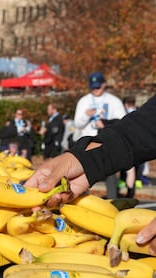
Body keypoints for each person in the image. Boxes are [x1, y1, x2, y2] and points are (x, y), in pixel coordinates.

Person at [25, 94, 156, 254]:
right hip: (104, 148)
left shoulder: (112, 101)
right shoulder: (84, 101)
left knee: (112, 185)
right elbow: (148, 124)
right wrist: (89, 158)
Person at [73, 72, 126, 198]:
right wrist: (87, 115)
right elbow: (78, 124)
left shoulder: (114, 101)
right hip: (87, 142)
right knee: (83, 172)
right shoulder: (84, 101)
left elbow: (123, 121)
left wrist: (105, 124)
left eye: (98, 86)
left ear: (104, 84)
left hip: (107, 142)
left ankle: (113, 200)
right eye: (93, 87)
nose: (96, 89)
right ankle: (81, 200)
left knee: (110, 172)